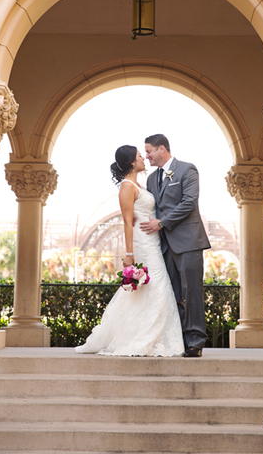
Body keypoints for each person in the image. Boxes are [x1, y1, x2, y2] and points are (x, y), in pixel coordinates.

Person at [76, 145, 184, 356]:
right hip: (142, 244)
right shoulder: (127, 186)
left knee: (149, 290)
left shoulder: (139, 184)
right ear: (132, 163)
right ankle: (142, 337)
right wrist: (129, 254)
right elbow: (127, 222)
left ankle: (149, 335)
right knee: (157, 286)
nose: (144, 158)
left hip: (153, 241)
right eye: (139, 156)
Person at [140, 134, 211, 357]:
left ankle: (196, 341)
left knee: (192, 292)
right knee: (171, 294)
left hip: (188, 241)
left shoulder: (187, 170)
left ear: (162, 149)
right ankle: (177, 340)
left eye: (149, 151)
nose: (147, 156)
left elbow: (189, 203)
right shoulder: (151, 179)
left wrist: (162, 222)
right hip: (163, 246)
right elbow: (152, 208)